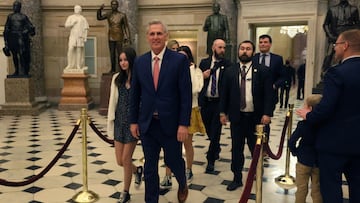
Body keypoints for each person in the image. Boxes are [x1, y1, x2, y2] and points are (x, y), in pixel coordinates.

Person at [129, 20, 191, 203]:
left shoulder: (179, 60)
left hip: (171, 125)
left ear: (166, 36)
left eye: (159, 33)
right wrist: (133, 121)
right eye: (152, 34)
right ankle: (151, 200)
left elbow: (185, 96)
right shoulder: (140, 62)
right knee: (149, 167)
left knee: (174, 161)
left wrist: (183, 124)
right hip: (148, 124)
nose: (155, 37)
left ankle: (182, 182)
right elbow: (135, 94)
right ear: (147, 37)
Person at [297, 29, 360, 203]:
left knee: (331, 189)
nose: (334, 49)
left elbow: (326, 107)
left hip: (334, 145)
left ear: (345, 45)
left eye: (336, 45)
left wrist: (309, 115)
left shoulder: (337, 72)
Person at [219, 40, 273, 191]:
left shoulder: (263, 70)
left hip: (256, 118)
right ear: (238, 51)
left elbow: (270, 95)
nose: (244, 51)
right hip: (237, 118)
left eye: (248, 49)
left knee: (254, 148)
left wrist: (267, 113)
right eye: (242, 48)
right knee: (236, 149)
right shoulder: (230, 71)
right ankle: (236, 178)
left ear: (253, 52)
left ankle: (257, 173)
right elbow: (224, 94)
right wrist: (222, 112)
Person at [107, 47, 143, 203]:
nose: (123, 63)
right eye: (120, 60)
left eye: (125, 59)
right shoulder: (116, 79)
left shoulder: (139, 78)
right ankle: (137, 171)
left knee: (126, 158)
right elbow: (112, 103)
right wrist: (111, 122)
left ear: (131, 60)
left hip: (132, 125)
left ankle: (125, 192)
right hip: (119, 123)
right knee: (120, 161)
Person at [198, 38, 232, 173]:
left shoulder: (228, 65)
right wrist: (202, 76)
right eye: (219, 47)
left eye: (224, 47)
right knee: (208, 129)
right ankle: (216, 146)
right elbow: (196, 80)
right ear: (213, 48)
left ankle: (210, 160)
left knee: (216, 131)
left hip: (220, 103)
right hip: (206, 102)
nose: (222, 50)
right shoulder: (204, 63)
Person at [289, 94, 323, 203]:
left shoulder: (303, 124)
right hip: (319, 161)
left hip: (303, 160)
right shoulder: (324, 125)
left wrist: (295, 152)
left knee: (301, 189)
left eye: (305, 106)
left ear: (310, 109)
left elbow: (292, 140)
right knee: (317, 190)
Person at [253, 34, 284, 144]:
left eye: (265, 42)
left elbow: (282, 77)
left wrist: (275, 85)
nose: (263, 44)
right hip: (254, 96)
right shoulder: (254, 58)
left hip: (270, 96)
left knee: (265, 121)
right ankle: (255, 145)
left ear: (270, 44)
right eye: (261, 42)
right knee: (254, 121)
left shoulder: (277, 59)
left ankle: (264, 147)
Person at [321, 0, 360, 72]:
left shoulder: (354, 9)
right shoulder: (332, 9)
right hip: (334, 37)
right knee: (329, 55)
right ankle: (324, 73)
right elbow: (326, 25)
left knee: (352, 55)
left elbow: (357, 25)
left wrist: (352, 35)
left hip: (348, 37)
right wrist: (331, 36)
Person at [3, 0, 35, 76]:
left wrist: (26, 31)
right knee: (14, 55)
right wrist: (6, 41)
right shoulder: (10, 16)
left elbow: (30, 26)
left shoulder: (23, 17)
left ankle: (24, 71)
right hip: (12, 37)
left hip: (21, 37)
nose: (14, 7)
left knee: (21, 54)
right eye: (14, 6)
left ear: (19, 7)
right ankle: (16, 71)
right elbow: (7, 27)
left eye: (16, 6)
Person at [97, 0, 131, 73]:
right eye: (112, 5)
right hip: (111, 36)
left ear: (117, 6)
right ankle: (112, 69)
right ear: (111, 6)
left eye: (115, 4)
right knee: (112, 54)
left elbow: (126, 27)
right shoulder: (109, 14)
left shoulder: (122, 15)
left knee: (120, 53)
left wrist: (128, 37)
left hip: (119, 35)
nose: (114, 6)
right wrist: (100, 10)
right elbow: (99, 18)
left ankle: (121, 70)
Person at [64, 5, 89, 70]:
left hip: (80, 36)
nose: (77, 10)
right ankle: (70, 64)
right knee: (70, 49)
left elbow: (86, 28)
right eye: (76, 9)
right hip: (73, 36)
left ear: (80, 10)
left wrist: (85, 37)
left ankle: (78, 65)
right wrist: (72, 24)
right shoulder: (71, 17)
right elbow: (66, 25)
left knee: (79, 50)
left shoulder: (83, 18)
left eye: (78, 9)